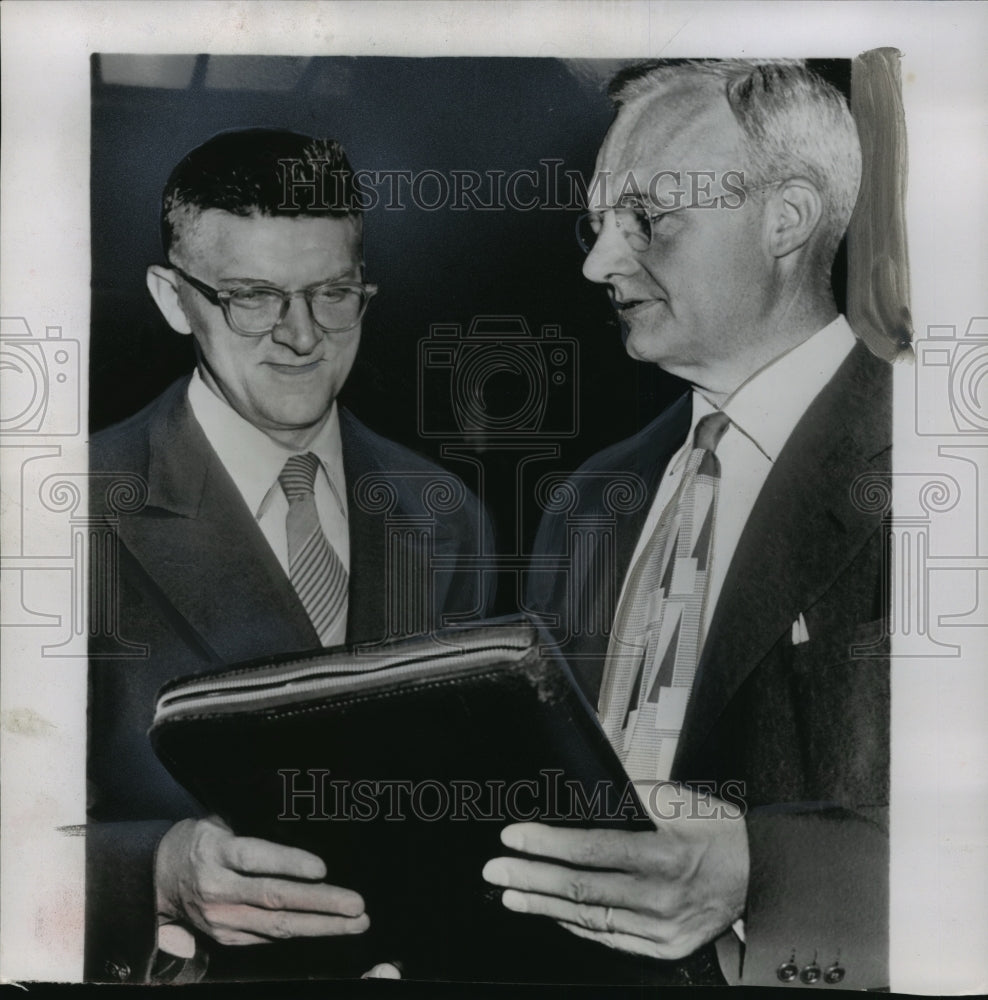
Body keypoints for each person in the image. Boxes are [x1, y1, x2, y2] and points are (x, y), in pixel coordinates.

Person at [486, 60, 894, 988]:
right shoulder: (589, 498)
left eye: (648, 219)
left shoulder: (942, 470)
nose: (598, 262)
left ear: (786, 217)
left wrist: (764, 873)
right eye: (597, 225)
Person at [86, 128, 491, 983]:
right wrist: (155, 872)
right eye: (251, 297)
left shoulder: (446, 513)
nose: (301, 335)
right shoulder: (60, 508)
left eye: (331, 293)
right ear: (171, 298)